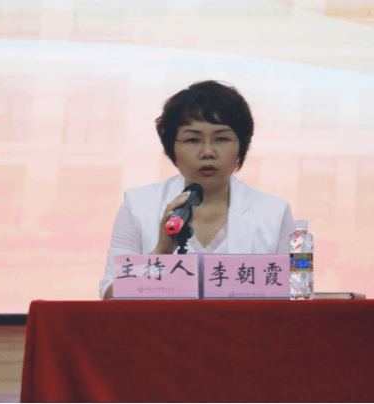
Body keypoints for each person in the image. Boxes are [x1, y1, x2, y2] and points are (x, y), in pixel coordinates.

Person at [99, 80, 295, 300]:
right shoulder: (138, 205)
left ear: (241, 145)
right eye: (192, 139)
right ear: (172, 147)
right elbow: (110, 293)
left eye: (222, 138)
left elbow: (294, 294)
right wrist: (161, 252)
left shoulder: (274, 211)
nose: (207, 152)